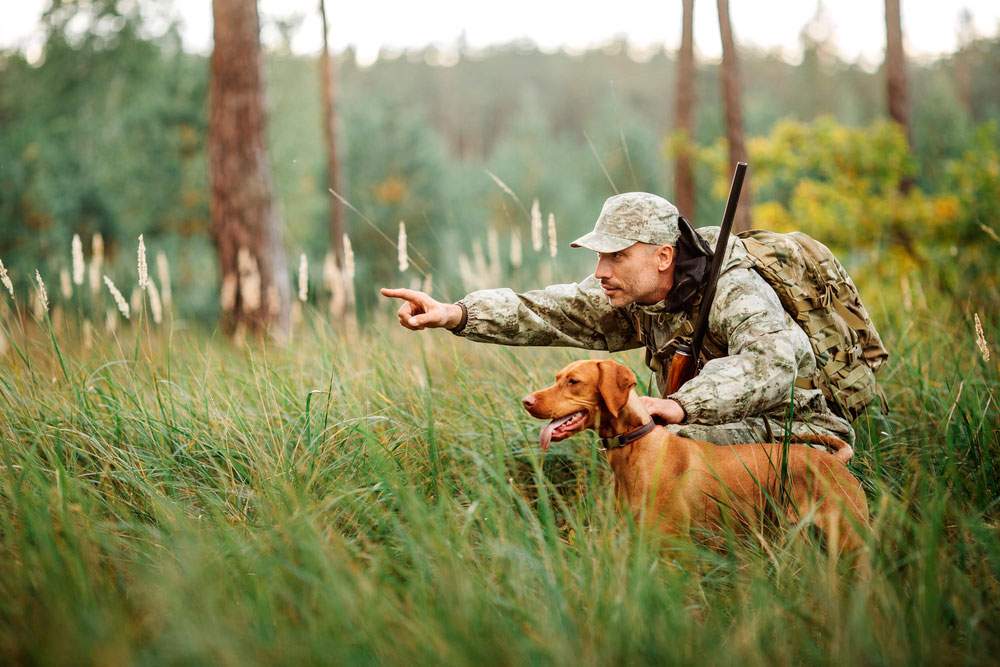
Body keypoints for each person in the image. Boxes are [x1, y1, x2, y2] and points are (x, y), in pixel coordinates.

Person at [380, 192, 854, 445]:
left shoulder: (733, 287)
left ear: (664, 256)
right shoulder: (631, 293)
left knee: (668, 438)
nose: (600, 272)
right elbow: (547, 310)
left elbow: (773, 361)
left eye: (616, 257)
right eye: (599, 256)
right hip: (711, 424)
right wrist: (456, 313)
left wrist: (680, 406)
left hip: (798, 427)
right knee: (646, 439)